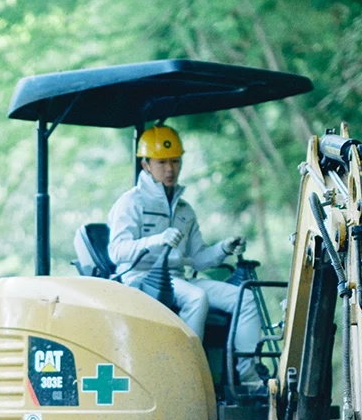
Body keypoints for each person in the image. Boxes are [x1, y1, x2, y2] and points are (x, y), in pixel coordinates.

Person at [106, 125, 263, 389]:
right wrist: (155, 240)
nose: (170, 169)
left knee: (245, 298)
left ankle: (247, 378)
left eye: (175, 161)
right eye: (162, 162)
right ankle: (187, 374)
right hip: (142, 279)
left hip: (179, 278)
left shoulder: (184, 210)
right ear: (145, 165)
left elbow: (198, 258)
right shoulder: (130, 203)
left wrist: (224, 248)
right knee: (197, 297)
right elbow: (116, 251)